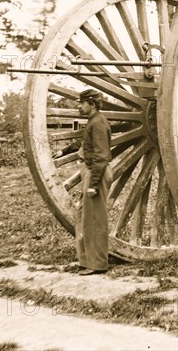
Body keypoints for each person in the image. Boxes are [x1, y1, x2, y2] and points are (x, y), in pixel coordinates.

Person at [53, 89, 112, 275]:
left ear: (92, 104)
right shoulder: (94, 122)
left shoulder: (99, 123)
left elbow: (101, 156)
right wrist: (65, 151)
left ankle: (98, 264)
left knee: (95, 219)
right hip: (93, 172)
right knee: (85, 217)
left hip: (97, 173)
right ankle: (87, 261)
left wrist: (93, 185)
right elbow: (85, 143)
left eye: (82, 103)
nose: (79, 106)